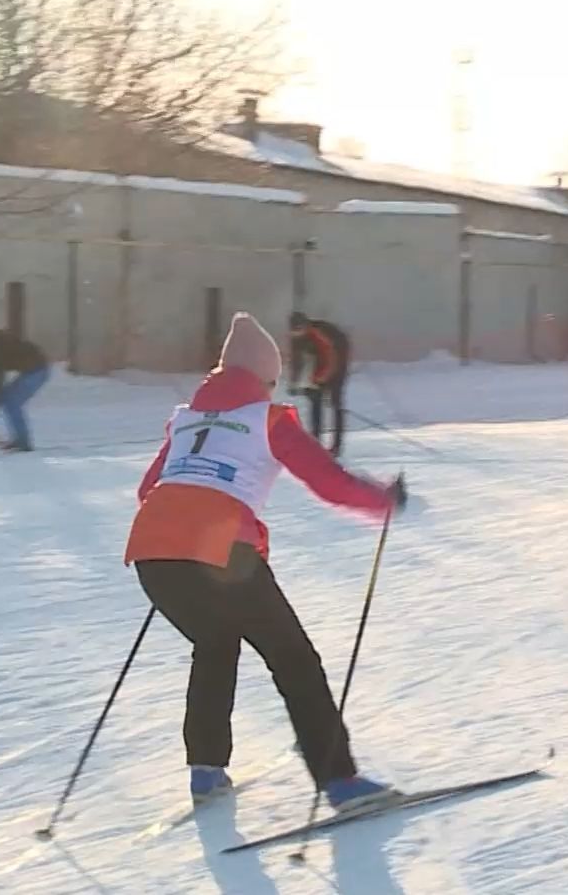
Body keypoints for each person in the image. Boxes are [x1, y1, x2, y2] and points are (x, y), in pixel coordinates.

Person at [125, 311, 410, 811]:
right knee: (294, 659)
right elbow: (329, 481)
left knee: (214, 645)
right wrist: (383, 499)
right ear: (265, 378)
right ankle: (339, 779)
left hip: (152, 551)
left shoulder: (186, 419)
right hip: (220, 554)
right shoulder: (269, 419)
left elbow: (149, 488)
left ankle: (206, 771)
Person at [288, 312, 351, 457]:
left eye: (300, 330)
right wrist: (294, 382)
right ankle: (315, 442)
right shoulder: (296, 338)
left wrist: (320, 379)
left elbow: (331, 358)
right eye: (295, 331)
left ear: (305, 326)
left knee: (335, 403)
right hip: (319, 360)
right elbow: (297, 361)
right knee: (315, 401)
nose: (297, 334)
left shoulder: (318, 334)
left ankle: (336, 445)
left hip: (338, 356)